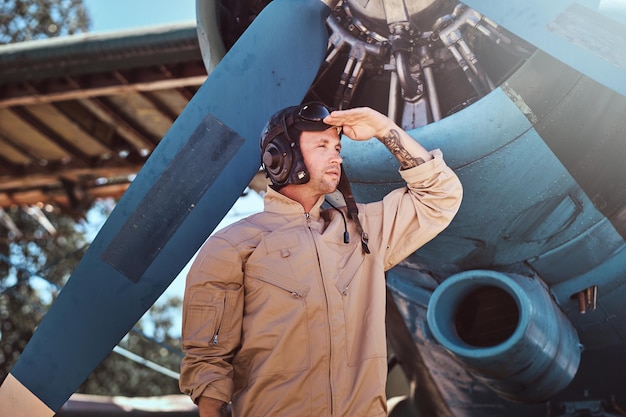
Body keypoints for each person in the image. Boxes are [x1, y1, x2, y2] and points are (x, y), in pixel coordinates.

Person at [179, 102, 463, 417]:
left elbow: (441, 196)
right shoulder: (231, 247)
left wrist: (384, 129)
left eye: (338, 146)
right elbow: (208, 362)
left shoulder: (363, 231)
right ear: (280, 157)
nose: (337, 156)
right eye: (322, 145)